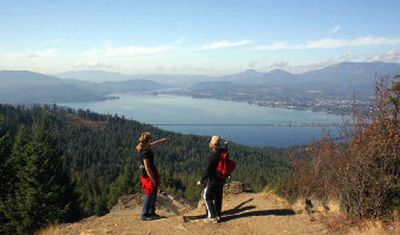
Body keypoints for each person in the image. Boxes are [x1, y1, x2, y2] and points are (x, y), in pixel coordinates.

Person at [136, 131, 169, 221]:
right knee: (150, 193)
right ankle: (144, 214)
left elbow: (154, 144)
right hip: (148, 175)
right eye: (150, 139)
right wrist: (152, 179)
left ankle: (151, 212)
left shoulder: (146, 147)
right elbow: (147, 167)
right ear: (147, 140)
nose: (152, 141)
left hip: (152, 173)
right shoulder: (145, 153)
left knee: (154, 193)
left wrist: (162, 141)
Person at [199, 135, 228, 223]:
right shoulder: (223, 152)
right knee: (218, 197)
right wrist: (226, 145)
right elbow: (226, 151)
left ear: (212, 144)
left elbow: (207, 171)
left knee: (207, 197)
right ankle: (218, 215)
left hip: (213, 180)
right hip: (221, 179)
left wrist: (201, 181)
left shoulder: (212, 155)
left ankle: (212, 217)